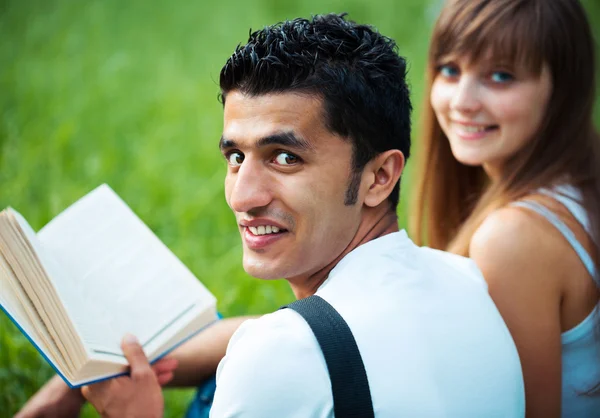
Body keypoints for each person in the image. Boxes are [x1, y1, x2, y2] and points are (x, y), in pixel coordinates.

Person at [17, 13, 524, 418]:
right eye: (235, 157)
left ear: (379, 177)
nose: (244, 196)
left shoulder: (279, 357)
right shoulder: (468, 280)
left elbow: (294, 353)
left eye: (286, 158)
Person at [410, 0, 600, 417]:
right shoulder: (581, 182)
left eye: (500, 76)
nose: (462, 101)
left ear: (562, 89)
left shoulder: (515, 238)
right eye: (450, 70)